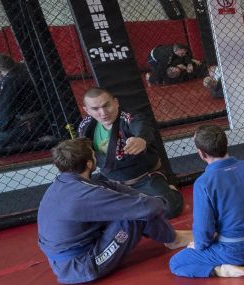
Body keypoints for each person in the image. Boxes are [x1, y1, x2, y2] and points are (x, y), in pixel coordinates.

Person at [37, 138, 192, 284]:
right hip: (82, 266)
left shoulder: (63, 183)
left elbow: (111, 187)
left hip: (64, 263)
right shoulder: (84, 195)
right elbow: (147, 208)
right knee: (135, 214)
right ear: (90, 163)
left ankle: (172, 237)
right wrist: (165, 201)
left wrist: (144, 198)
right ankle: (174, 239)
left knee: (132, 203)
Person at [168, 125, 244, 278]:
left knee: (176, 263)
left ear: (201, 154)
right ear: (225, 144)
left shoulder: (204, 183)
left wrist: (199, 246)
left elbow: (204, 229)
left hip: (233, 251)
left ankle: (222, 270)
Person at [78, 87, 184, 218]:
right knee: (83, 210)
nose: (103, 112)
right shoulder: (86, 126)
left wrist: (141, 139)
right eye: (95, 109)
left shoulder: (128, 118)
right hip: (109, 181)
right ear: (86, 110)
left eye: (106, 105)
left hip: (143, 180)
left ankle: (170, 190)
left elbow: (142, 125)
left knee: (169, 208)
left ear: (115, 102)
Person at [0, 53, 46, 148]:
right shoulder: (25, 71)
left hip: (29, 120)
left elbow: (6, 110)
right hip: (42, 113)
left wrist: (1, 128)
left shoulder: (10, 82)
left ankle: (33, 139)